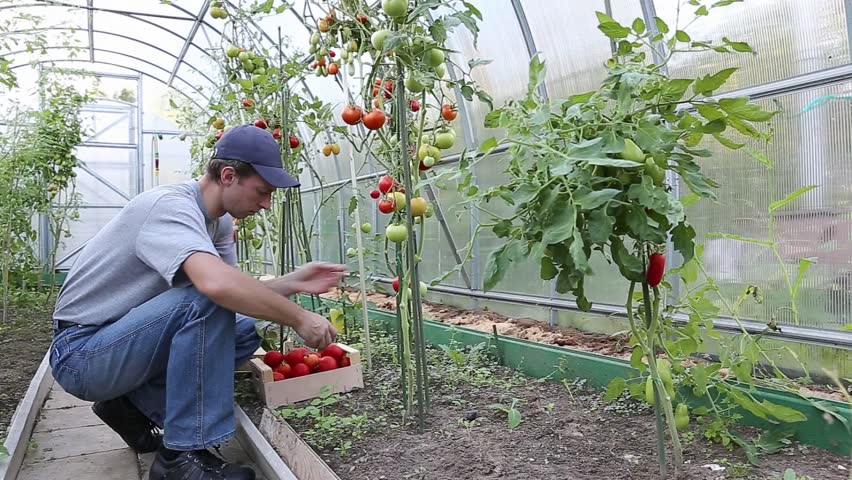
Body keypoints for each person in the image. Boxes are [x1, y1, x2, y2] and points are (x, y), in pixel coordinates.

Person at [49, 124, 343, 480]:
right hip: (82, 354)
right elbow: (216, 286)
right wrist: (298, 318)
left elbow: (233, 293)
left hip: (117, 346)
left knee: (244, 331)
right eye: (262, 192)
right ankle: (181, 458)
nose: (266, 204)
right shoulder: (170, 207)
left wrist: (292, 282)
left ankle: (127, 403)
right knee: (207, 299)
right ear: (229, 175)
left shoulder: (216, 224)